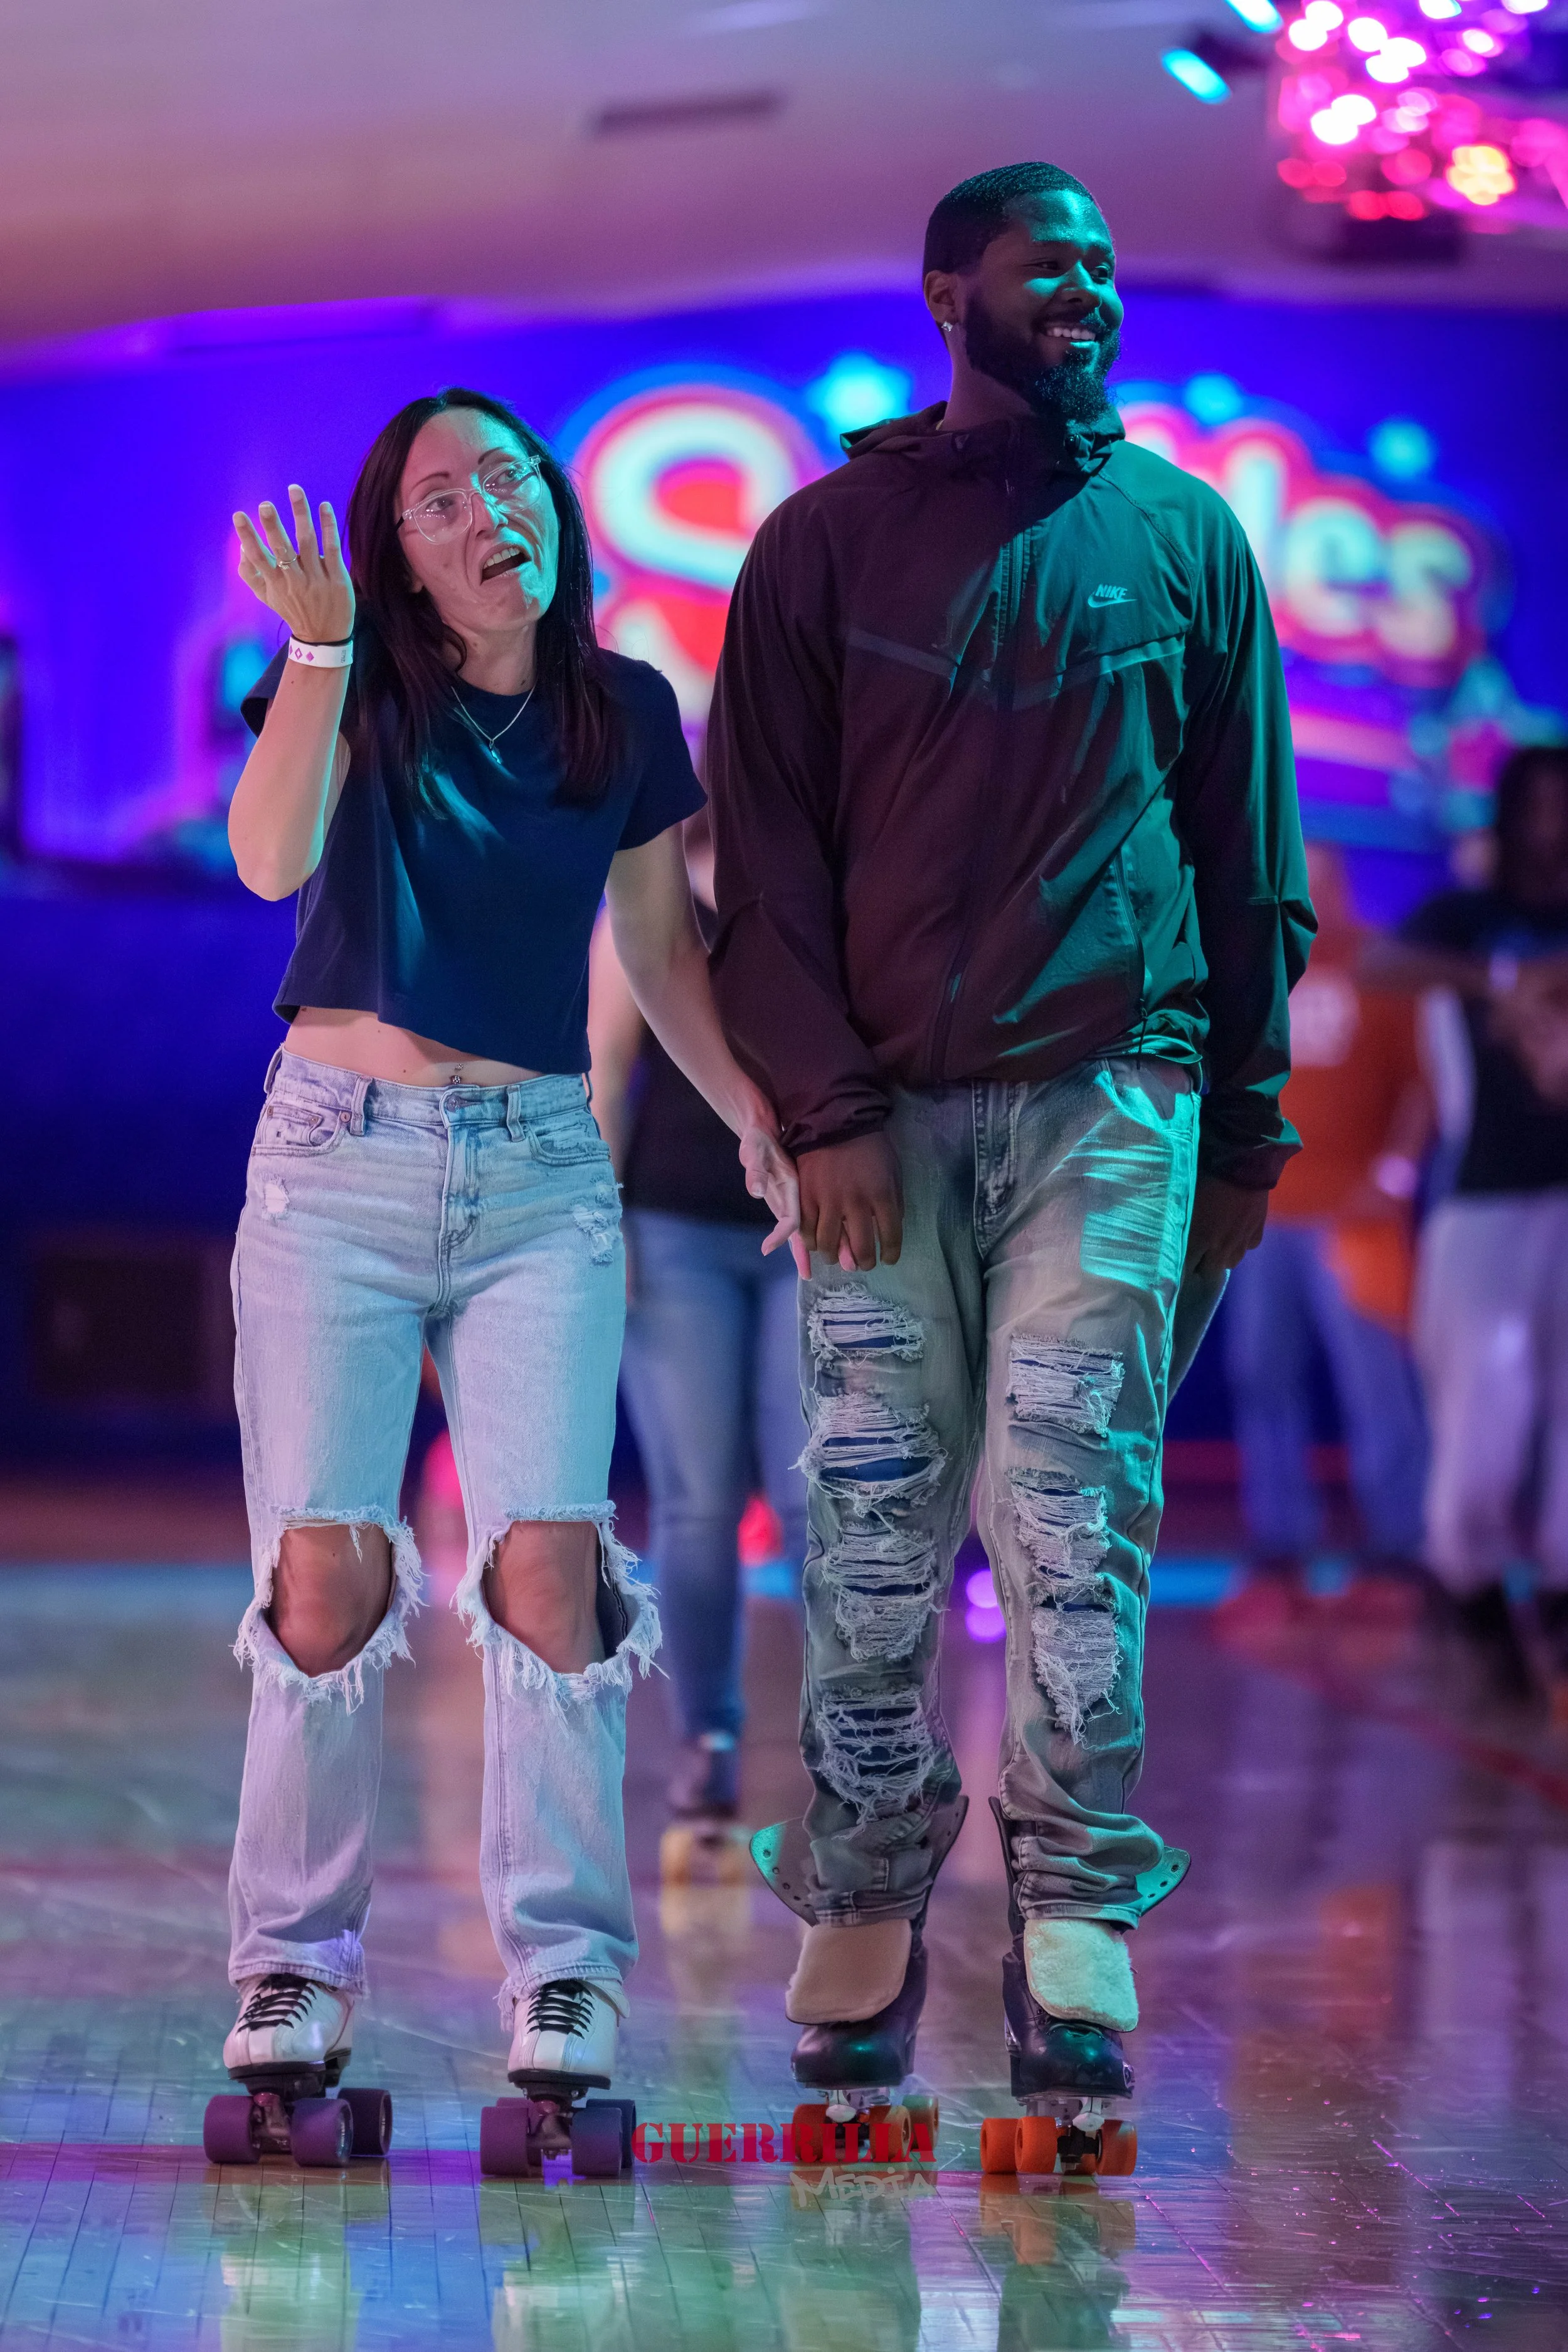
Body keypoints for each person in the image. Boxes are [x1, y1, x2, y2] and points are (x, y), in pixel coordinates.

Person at [705, 163, 1312, 2112]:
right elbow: (765, 875)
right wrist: (824, 1110)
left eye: (1106, 267)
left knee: (1071, 1512)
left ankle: (1072, 1905)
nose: (1090, 292)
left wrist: (1239, 1128)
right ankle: (867, 1889)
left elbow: (1248, 870)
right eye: (1049, 264)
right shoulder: (817, 545)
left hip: (1111, 1100)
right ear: (943, 294)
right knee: (876, 1523)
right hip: (875, 1115)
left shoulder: (1182, 541)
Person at [219, 388, 800, 2111]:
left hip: (543, 1169)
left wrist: (755, 1112)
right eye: (443, 495)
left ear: (553, 509)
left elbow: (654, 943)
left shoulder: (619, 709)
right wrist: (318, 657)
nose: (493, 511)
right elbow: (266, 861)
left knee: (551, 1567)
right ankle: (291, 1970)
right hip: (334, 1159)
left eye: (511, 480)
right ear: (398, 554)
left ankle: (564, 1974)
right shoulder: (359, 687)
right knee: (324, 1574)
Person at [587, 807, 808, 1850]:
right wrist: (604, 1226)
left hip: (809, 1228)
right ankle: (708, 1740)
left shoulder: (815, 893)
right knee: (697, 1502)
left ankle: (852, 1744)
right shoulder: (644, 894)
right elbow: (602, 1068)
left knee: (821, 1500)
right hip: (672, 1231)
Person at [1368, 746, 1568, 1705]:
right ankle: (1468, 1585)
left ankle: (1555, 1606)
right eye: (1537, 808)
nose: (1552, 828)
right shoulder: (1466, 919)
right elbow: (1380, 962)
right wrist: (1502, 979)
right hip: (1480, 1202)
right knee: (1483, 1424)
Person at [1219, 840, 1431, 1636]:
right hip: (1267, 1216)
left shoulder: (1386, 968)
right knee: (1259, 1375)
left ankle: (1398, 1549)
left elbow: (1426, 1083)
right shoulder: (1255, 968)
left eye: (1318, 873)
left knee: (1374, 1382)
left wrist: (1398, 1174)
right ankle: (1280, 1546)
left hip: (1355, 1216)